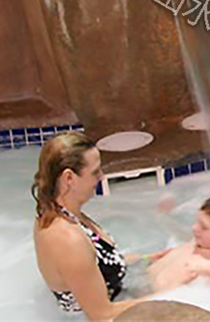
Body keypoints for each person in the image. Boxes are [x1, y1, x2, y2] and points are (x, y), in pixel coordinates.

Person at [32, 132, 186, 320]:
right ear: (69, 178)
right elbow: (101, 315)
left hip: (118, 297)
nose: (101, 176)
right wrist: (172, 295)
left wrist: (146, 259)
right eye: (95, 172)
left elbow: (96, 263)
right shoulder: (68, 239)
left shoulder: (57, 211)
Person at [147, 191, 210, 291]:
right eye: (197, 221)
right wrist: (146, 258)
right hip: (141, 278)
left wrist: (174, 287)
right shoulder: (200, 241)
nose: (194, 228)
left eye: (204, 227)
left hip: (148, 297)